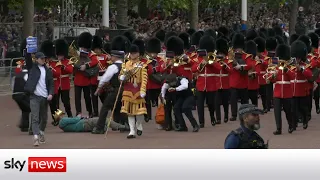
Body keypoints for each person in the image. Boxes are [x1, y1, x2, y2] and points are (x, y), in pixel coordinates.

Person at [92, 36, 129, 134]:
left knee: (105, 108)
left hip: (115, 90)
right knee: (121, 107)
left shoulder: (113, 66)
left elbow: (105, 78)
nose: (110, 57)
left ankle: (99, 127)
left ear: (116, 57)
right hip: (124, 90)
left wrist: (98, 89)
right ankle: (125, 125)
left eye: (112, 56)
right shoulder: (126, 65)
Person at [24, 51, 54, 146]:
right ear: (36, 59)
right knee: (35, 117)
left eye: (44, 58)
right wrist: (27, 50)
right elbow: (28, 59)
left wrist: (51, 94)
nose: (43, 60)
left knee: (44, 119)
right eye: (41, 58)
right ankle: (36, 137)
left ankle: (41, 132)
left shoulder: (48, 70)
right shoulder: (32, 68)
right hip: (34, 96)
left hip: (44, 97)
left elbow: (51, 84)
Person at [119, 44, 148, 138]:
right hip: (127, 89)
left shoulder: (142, 65)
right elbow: (121, 75)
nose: (132, 55)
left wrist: (143, 90)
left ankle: (139, 124)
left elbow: (144, 79)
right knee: (129, 112)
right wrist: (121, 77)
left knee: (139, 111)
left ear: (138, 54)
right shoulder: (125, 64)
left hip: (137, 89)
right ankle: (132, 131)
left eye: (134, 53)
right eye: (131, 53)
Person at [192, 35, 221, 127]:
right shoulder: (198, 58)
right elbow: (193, 69)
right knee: (199, 104)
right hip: (200, 84)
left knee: (210, 103)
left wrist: (210, 63)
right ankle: (201, 122)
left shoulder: (213, 57)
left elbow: (218, 69)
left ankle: (212, 117)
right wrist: (201, 64)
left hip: (211, 84)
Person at [268, 44, 294, 135]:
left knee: (288, 111)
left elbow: (292, 76)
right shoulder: (274, 66)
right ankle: (278, 128)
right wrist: (273, 75)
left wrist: (285, 68)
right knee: (277, 111)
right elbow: (270, 79)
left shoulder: (290, 66)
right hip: (277, 92)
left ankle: (291, 125)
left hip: (287, 92)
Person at [226, 33, 252, 121]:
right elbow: (229, 68)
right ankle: (234, 115)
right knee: (233, 101)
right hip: (234, 82)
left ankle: (245, 115)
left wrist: (240, 67)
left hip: (243, 82)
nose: (238, 50)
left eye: (239, 48)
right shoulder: (231, 56)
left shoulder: (246, 56)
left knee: (244, 101)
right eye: (237, 48)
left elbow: (250, 65)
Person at [74, 32, 99, 117]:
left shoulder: (91, 54)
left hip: (86, 80)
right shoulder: (77, 54)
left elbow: (95, 61)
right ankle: (78, 112)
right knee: (77, 98)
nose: (82, 48)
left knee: (87, 98)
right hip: (78, 79)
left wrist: (86, 65)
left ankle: (90, 112)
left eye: (83, 47)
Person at [290, 40, 313, 130]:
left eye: (298, 58)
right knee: (293, 109)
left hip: (302, 90)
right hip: (293, 90)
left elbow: (310, 75)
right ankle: (294, 124)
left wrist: (301, 69)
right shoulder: (290, 66)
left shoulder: (305, 65)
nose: (297, 60)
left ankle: (305, 120)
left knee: (302, 107)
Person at [12, 39, 30, 133]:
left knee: (25, 108)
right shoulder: (21, 63)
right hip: (24, 88)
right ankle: (28, 124)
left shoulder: (22, 63)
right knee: (29, 107)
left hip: (20, 89)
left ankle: (24, 124)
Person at [90, 35, 110, 116]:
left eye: (98, 49)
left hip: (102, 80)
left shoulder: (105, 57)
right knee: (94, 98)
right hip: (94, 79)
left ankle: (105, 111)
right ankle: (95, 112)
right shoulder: (92, 57)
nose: (96, 51)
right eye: (95, 49)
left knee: (104, 98)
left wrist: (109, 59)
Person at [54, 39, 73, 118]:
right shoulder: (54, 62)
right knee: (56, 103)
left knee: (66, 102)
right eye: (59, 55)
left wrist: (63, 66)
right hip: (56, 85)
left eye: (61, 55)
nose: (60, 56)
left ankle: (70, 115)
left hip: (65, 85)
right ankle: (57, 117)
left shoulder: (68, 61)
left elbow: (70, 70)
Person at [214, 38, 230, 124]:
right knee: (216, 103)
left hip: (225, 84)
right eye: (219, 53)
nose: (220, 55)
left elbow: (230, 71)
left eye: (222, 54)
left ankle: (226, 116)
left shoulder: (227, 61)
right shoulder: (214, 60)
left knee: (225, 102)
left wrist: (225, 65)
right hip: (217, 84)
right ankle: (218, 118)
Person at [58, 115, 128, 132]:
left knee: (101, 124)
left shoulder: (62, 126)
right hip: (83, 123)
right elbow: (74, 120)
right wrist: (79, 117)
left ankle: (117, 126)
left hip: (83, 126)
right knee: (104, 120)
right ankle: (122, 127)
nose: (63, 115)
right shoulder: (62, 120)